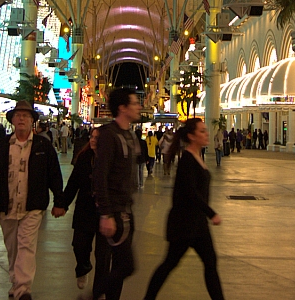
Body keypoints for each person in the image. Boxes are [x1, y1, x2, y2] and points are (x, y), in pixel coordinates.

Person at [0, 100, 66, 300]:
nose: (21, 119)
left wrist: (59, 201)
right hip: (7, 205)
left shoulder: (43, 146)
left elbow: (54, 175)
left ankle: (23, 290)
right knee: (13, 248)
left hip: (32, 207)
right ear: (12, 120)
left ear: (32, 122)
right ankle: (16, 283)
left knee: (26, 246)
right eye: (18, 115)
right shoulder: (2, 146)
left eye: (25, 116)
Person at [142, 118, 224, 300]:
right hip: (184, 224)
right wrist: (212, 213)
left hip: (197, 224)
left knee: (210, 263)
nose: (206, 133)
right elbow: (191, 193)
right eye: (202, 131)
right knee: (169, 264)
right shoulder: (187, 160)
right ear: (192, 136)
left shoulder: (196, 157)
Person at [92, 88, 142, 300]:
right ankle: (96, 294)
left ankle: (103, 294)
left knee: (122, 265)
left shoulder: (129, 135)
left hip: (126, 209)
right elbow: (100, 176)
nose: (138, 106)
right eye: (134, 103)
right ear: (123, 108)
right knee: (126, 265)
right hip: (115, 211)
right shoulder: (109, 135)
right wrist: (106, 213)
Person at [56, 126, 101, 290]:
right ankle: (83, 267)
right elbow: (73, 183)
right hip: (85, 209)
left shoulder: (110, 159)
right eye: (92, 137)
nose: (93, 140)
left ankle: (99, 289)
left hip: (104, 211)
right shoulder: (84, 158)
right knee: (79, 245)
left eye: (97, 138)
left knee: (103, 254)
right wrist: (62, 204)